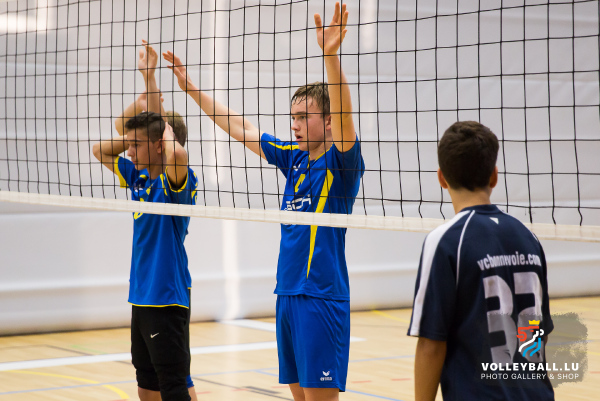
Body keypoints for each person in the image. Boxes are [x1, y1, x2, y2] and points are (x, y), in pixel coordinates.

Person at [164, 2, 364, 400]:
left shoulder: (341, 164)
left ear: (327, 122)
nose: (295, 124)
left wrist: (330, 57)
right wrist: (191, 90)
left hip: (320, 297)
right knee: (297, 394)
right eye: (293, 116)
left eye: (304, 117)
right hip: (286, 293)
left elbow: (344, 115)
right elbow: (241, 127)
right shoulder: (293, 158)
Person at [408, 121, 554, 401]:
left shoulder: (445, 241)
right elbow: (541, 333)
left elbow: (430, 344)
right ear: (494, 176)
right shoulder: (529, 237)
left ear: (441, 178)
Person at [92, 41, 199, 401]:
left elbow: (175, 154)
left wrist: (151, 84)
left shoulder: (175, 183)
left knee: (174, 385)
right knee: (146, 386)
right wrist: (135, 133)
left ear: (160, 144)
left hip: (166, 295)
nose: (129, 150)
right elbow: (99, 149)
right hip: (141, 294)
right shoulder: (139, 179)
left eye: (137, 145)